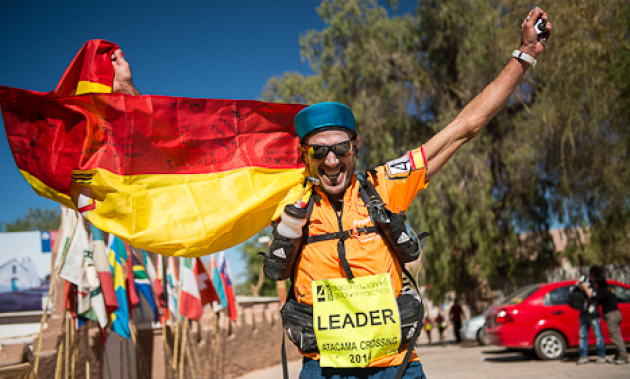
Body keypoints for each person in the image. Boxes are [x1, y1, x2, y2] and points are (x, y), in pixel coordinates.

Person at [114, 7, 552, 378]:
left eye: (340, 149)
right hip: (322, 366)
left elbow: (463, 129)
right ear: (304, 155)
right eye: (319, 152)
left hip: (395, 366)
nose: (331, 161)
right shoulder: (287, 198)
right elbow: (197, 172)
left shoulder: (386, 184)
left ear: (355, 148)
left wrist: (524, 56)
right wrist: (131, 99)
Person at [583, 276, 628, 364]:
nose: (594, 285)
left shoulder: (603, 292)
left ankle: (623, 356)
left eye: (595, 283)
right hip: (616, 314)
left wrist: (586, 290)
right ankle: (618, 355)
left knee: (616, 337)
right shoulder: (607, 290)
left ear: (599, 284)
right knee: (616, 335)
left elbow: (593, 299)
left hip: (612, 315)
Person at [576, 266, 606, 364]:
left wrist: (586, 289)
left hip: (593, 312)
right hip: (584, 311)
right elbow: (575, 287)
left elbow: (593, 297)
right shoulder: (584, 280)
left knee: (598, 334)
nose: (591, 277)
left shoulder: (598, 283)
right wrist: (580, 286)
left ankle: (601, 355)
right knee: (583, 335)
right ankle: (583, 355)